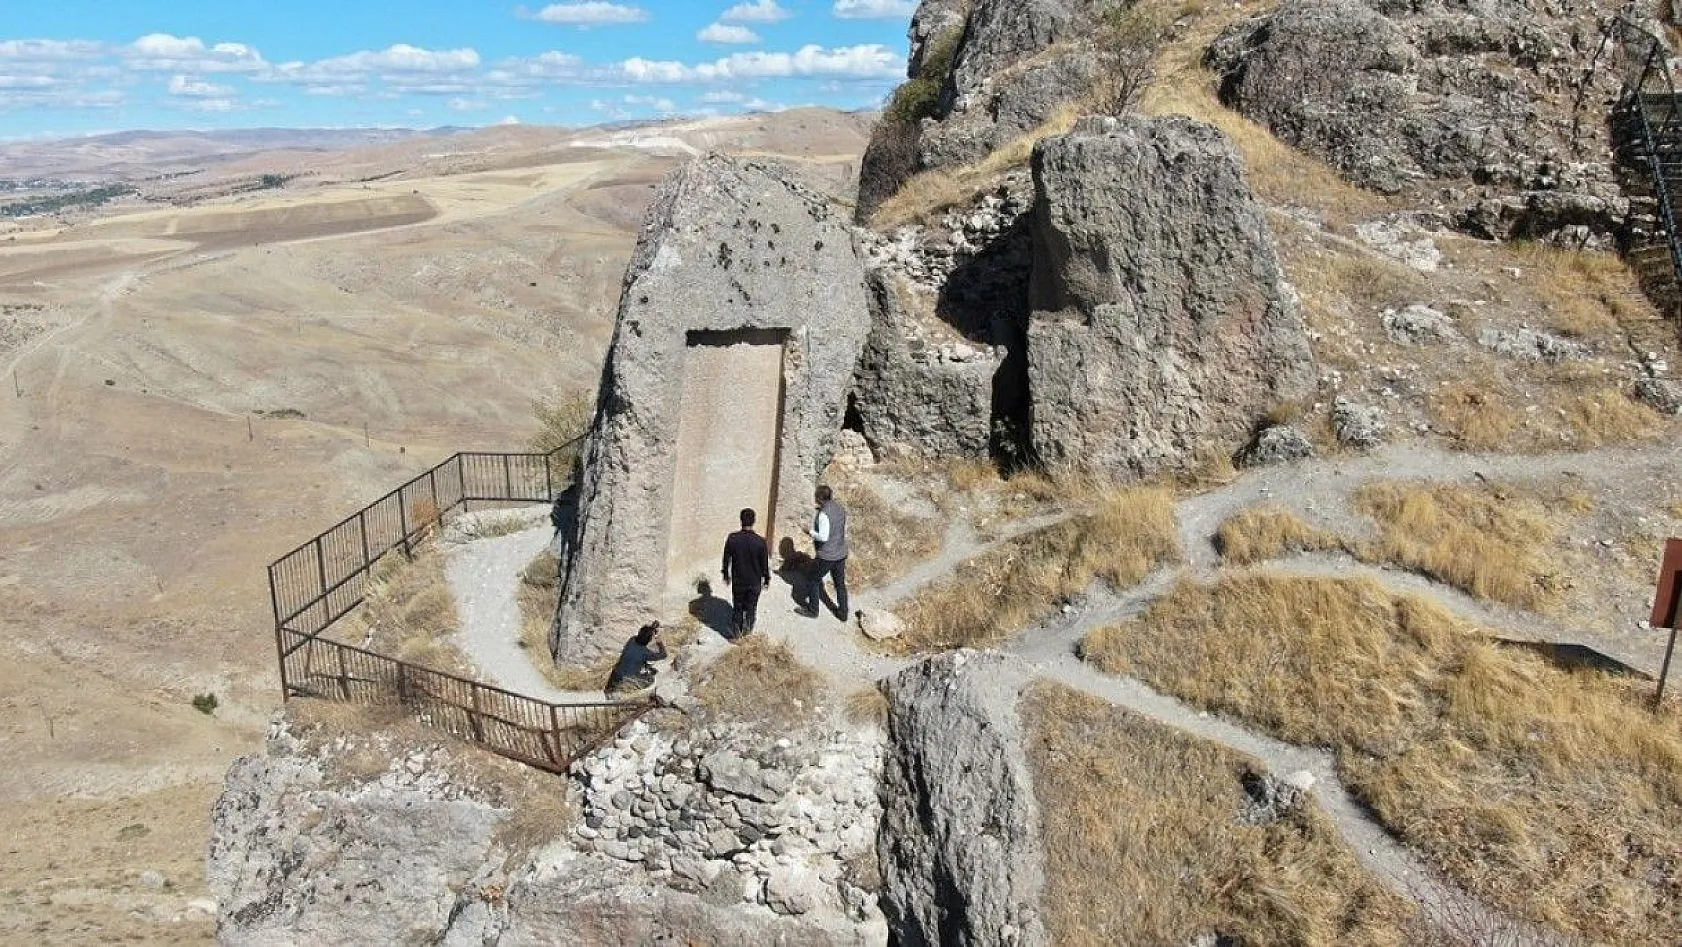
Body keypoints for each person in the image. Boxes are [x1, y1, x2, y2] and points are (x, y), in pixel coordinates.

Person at [797, 484, 848, 620]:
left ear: (820, 498)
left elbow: (823, 537)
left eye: (816, 497)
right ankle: (843, 613)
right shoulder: (839, 507)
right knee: (840, 583)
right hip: (841, 553)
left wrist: (810, 532)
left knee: (812, 579)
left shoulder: (823, 515)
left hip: (827, 556)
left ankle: (813, 610)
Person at [721, 508, 771, 637]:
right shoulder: (760, 542)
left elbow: (726, 558)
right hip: (754, 582)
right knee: (751, 607)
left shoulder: (733, 538)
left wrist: (726, 575)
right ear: (754, 521)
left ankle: (736, 633)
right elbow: (764, 563)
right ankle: (747, 633)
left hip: (739, 581)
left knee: (737, 606)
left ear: (740, 520)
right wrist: (767, 579)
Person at [604, 621, 666, 696]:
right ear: (649, 640)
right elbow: (663, 655)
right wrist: (659, 643)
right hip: (626, 681)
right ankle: (627, 691)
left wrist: (651, 628)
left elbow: (642, 638)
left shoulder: (631, 640)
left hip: (614, 677)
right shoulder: (645, 653)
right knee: (651, 679)